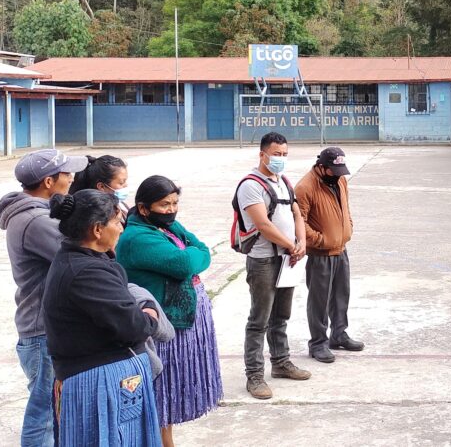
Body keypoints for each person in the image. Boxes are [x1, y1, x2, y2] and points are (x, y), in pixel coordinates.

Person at [41, 190, 161, 446]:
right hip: (99, 383)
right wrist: (150, 312)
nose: (121, 229)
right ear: (97, 229)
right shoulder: (85, 272)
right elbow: (134, 328)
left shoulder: (82, 261)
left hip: (101, 377)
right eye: (117, 222)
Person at [115, 175, 223, 447]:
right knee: (161, 392)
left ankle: (166, 441)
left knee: (167, 396)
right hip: (161, 326)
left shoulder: (167, 227)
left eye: (175, 202)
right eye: (164, 204)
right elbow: (186, 263)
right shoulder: (138, 237)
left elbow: (202, 249)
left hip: (178, 320)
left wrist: (196, 253)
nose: (171, 210)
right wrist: (195, 255)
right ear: (143, 208)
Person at [0, 148, 87, 447]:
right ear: (48, 182)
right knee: (44, 414)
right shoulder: (35, 221)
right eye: (66, 173)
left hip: (44, 328)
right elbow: (83, 255)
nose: (72, 178)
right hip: (43, 330)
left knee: (54, 410)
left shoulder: (38, 214)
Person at [237, 131, 310, 399]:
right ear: (262, 154)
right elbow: (264, 225)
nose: (281, 159)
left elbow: (296, 214)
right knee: (259, 320)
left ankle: (281, 363)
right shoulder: (250, 185)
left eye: (285, 155)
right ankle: (254, 375)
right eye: (277, 154)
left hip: (287, 260)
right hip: (264, 260)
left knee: (281, 317)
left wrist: (300, 242)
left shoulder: (283, 181)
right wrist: (291, 246)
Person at [296, 147, 364, 364]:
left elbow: (346, 208)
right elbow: (299, 222)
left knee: (341, 295)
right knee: (319, 301)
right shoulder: (305, 187)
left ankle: (339, 334)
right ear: (322, 167)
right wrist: (321, 240)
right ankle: (318, 343)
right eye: (334, 170)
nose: (338, 174)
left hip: (341, 250)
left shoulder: (341, 180)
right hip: (320, 255)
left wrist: (348, 228)